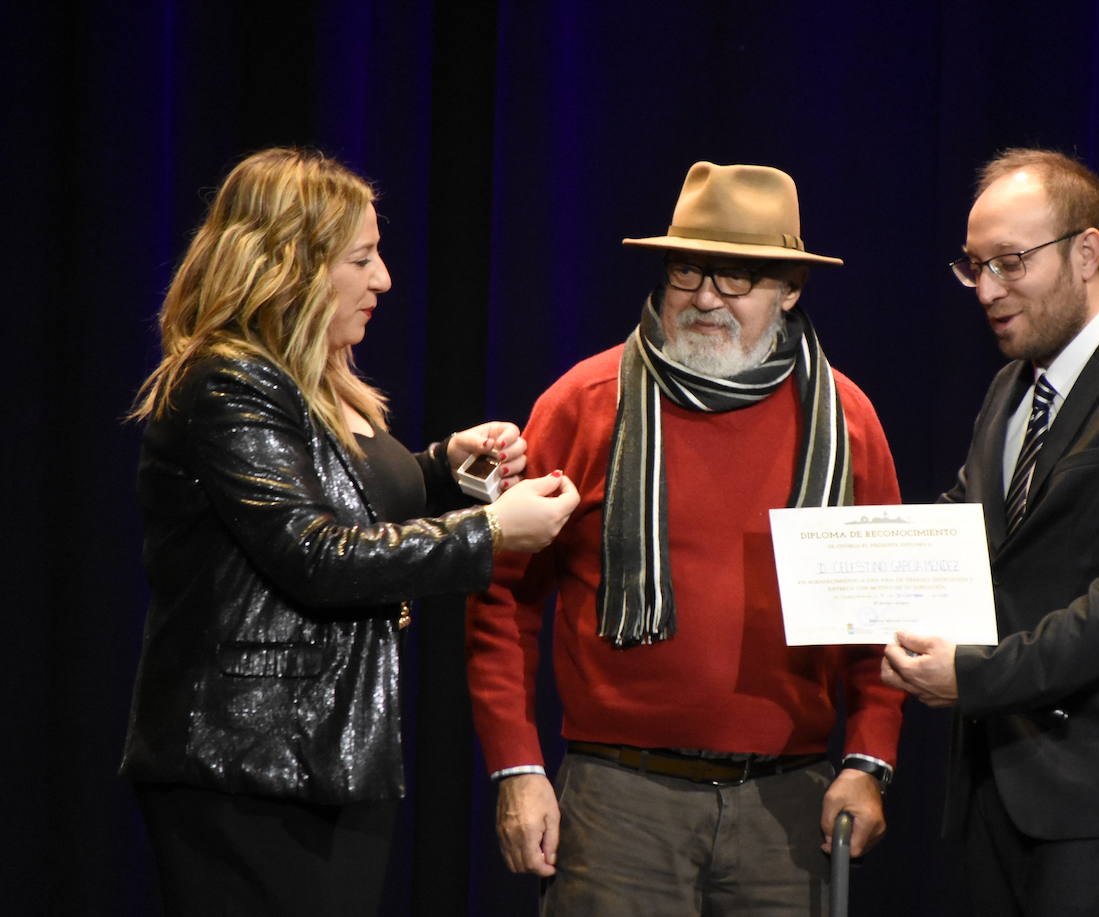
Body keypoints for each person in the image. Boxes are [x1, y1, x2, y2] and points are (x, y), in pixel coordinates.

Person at [119, 147, 579, 916]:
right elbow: (315, 553)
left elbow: (344, 501)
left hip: (323, 756)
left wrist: (446, 470)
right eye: (361, 258)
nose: (384, 279)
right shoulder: (229, 382)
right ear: (290, 266)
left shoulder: (306, 380)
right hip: (251, 764)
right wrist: (491, 530)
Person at [466, 161, 906, 915]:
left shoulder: (846, 420)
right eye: (687, 270)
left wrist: (870, 761)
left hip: (787, 806)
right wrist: (517, 768)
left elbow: (882, 618)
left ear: (790, 290)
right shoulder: (585, 404)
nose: (706, 296)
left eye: (737, 276)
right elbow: (501, 601)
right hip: (619, 805)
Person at [881, 148, 1099, 916]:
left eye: (1009, 262)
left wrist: (974, 676)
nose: (986, 289)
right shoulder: (1013, 386)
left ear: (1085, 251)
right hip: (1001, 788)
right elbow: (969, 532)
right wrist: (842, 566)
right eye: (973, 266)